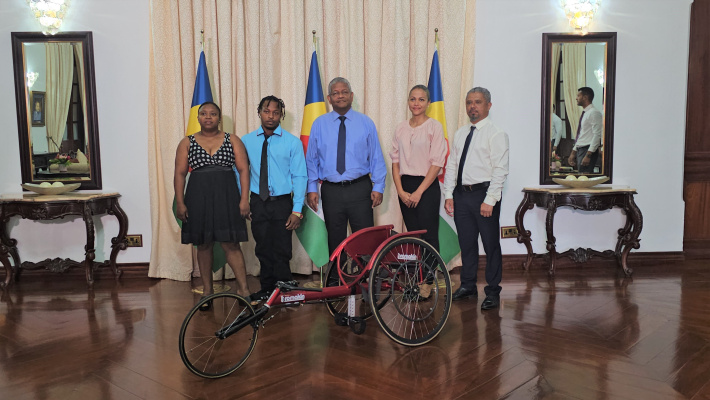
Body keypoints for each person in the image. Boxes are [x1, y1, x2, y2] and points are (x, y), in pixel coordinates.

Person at [174, 101, 251, 310]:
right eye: (204, 114)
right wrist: (180, 202)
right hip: (198, 197)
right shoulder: (187, 142)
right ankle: (207, 292)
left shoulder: (232, 139)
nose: (208, 117)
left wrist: (244, 200)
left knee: (231, 243)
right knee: (204, 244)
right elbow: (180, 174)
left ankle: (243, 290)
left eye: (213, 114)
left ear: (219, 118)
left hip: (227, 196)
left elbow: (244, 170)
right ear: (198, 118)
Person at [444, 87, 509, 310]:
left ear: (488, 105)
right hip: (462, 195)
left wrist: (490, 200)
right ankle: (468, 285)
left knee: (491, 244)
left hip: (484, 195)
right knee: (467, 243)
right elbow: (452, 164)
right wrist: (449, 194)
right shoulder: (461, 133)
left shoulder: (496, 134)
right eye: (469, 102)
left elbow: (500, 169)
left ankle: (492, 291)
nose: (473, 106)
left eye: (478, 102)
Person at [305, 77, 387, 255]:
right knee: (335, 239)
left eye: (344, 92)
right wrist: (312, 188)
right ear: (329, 98)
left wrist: (379, 186)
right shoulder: (319, 124)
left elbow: (376, 158)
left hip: (360, 189)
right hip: (331, 191)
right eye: (335, 93)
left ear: (351, 96)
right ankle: (337, 280)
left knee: (364, 238)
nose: (340, 96)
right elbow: (312, 159)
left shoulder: (366, 123)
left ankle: (364, 280)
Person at [242, 95, 307, 303]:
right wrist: (243, 201)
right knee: (262, 247)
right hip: (257, 202)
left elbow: (300, 176)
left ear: (282, 115)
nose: (271, 116)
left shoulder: (292, 142)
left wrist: (297, 210)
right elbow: (240, 173)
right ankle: (267, 289)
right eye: (267, 111)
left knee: (282, 248)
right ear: (259, 112)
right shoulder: (246, 141)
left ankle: (286, 292)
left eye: (276, 112)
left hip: (282, 202)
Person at [390, 84, 447, 298]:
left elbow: (436, 163)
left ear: (428, 103)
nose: (416, 103)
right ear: (408, 102)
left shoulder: (434, 127)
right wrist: (401, 190)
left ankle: (428, 282)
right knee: (414, 237)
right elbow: (395, 161)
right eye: (413, 99)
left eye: (421, 99)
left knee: (429, 236)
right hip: (405, 187)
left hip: (427, 187)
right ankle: (416, 278)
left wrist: (419, 192)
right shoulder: (401, 128)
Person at [568, 87, 602, 173]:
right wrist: (573, 152)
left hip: (587, 150)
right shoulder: (586, 113)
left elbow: (597, 135)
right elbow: (581, 134)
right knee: (581, 176)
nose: (576, 98)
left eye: (578, 95)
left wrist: (588, 155)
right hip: (581, 149)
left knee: (584, 179)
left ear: (585, 97)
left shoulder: (594, 113)